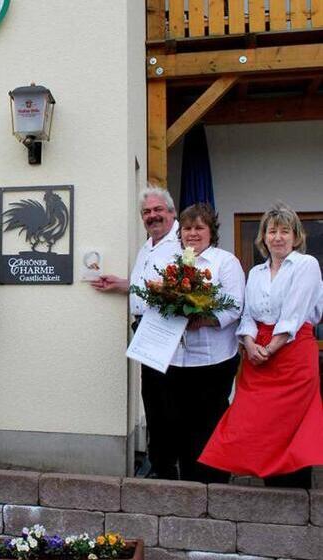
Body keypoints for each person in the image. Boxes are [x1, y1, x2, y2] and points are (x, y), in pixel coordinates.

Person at [200, 203, 323, 489]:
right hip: (258, 354)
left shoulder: (306, 265)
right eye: (272, 231)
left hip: (292, 353)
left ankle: (296, 492)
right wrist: (250, 342)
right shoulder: (255, 271)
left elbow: (294, 313)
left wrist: (271, 348)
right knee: (259, 423)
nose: (277, 237)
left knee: (290, 424)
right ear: (263, 236)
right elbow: (247, 315)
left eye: (284, 231)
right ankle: (269, 484)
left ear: (296, 236)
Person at [91, 185, 181, 479]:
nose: (152, 216)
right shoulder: (148, 245)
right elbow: (148, 284)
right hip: (146, 330)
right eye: (146, 212)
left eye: (158, 210)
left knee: (168, 401)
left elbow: (174, 290)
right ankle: (159, 461)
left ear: (171, 212)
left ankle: (168, 466)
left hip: (168, 333)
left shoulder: (182, 244)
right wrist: (121, 283)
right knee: (152, 398)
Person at [163, 204, 245, 483]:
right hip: (177, 359)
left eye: (199, 228)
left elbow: (234, 308)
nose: (193, 233)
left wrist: (204, 319)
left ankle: (215, 483)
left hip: (214, 360)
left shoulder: (225, 262)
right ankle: (189, 484)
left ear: (211, 231)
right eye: (187, 228)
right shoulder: (174, 263)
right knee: (181, 424)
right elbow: (160, 302)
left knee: (210, 424)